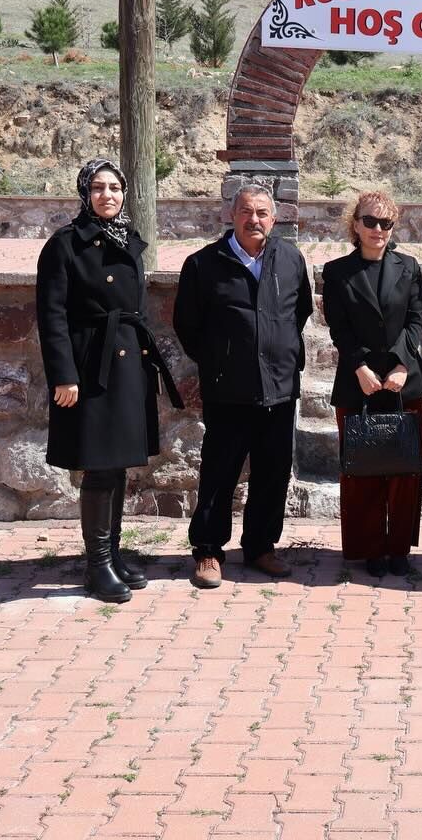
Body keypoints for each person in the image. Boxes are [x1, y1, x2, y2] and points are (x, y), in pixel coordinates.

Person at [36, 157, 183, 603]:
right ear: (85, 193)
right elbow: (52, 316)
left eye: (115, 188)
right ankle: (96, 565)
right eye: (98, 188)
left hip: (127, 365)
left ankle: (112, 555)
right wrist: (64, 375)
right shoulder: (64, 245)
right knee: (99, 465)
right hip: (89, 366)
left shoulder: (128, 239)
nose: (107, 195)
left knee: (117, 463)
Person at [172, 184, 313, 589]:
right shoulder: (203, 264)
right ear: (231, 216)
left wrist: (283, 354)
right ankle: (208, 550)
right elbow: (187, 325)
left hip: (279, 386)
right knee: (220, 472)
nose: (255, 220)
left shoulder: (290, 259)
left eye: (262, 213)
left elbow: (299, 312)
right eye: (247, 212)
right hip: (227, 390)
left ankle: (261, 547)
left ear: (275, 218)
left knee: (273, 472)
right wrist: (220, 361)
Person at [321, 191, 422, 577]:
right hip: (358, 383)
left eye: (386, 223)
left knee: (404, 470)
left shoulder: (409, 266)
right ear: (355, 224)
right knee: (361, 468)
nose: (378, 229)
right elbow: (339, 327)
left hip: (404, 383)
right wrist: (360, 367)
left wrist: (401, 364)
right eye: (370, 221)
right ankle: (370, 548)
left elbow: (417, 319)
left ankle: (398, 547)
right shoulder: (337, 272)